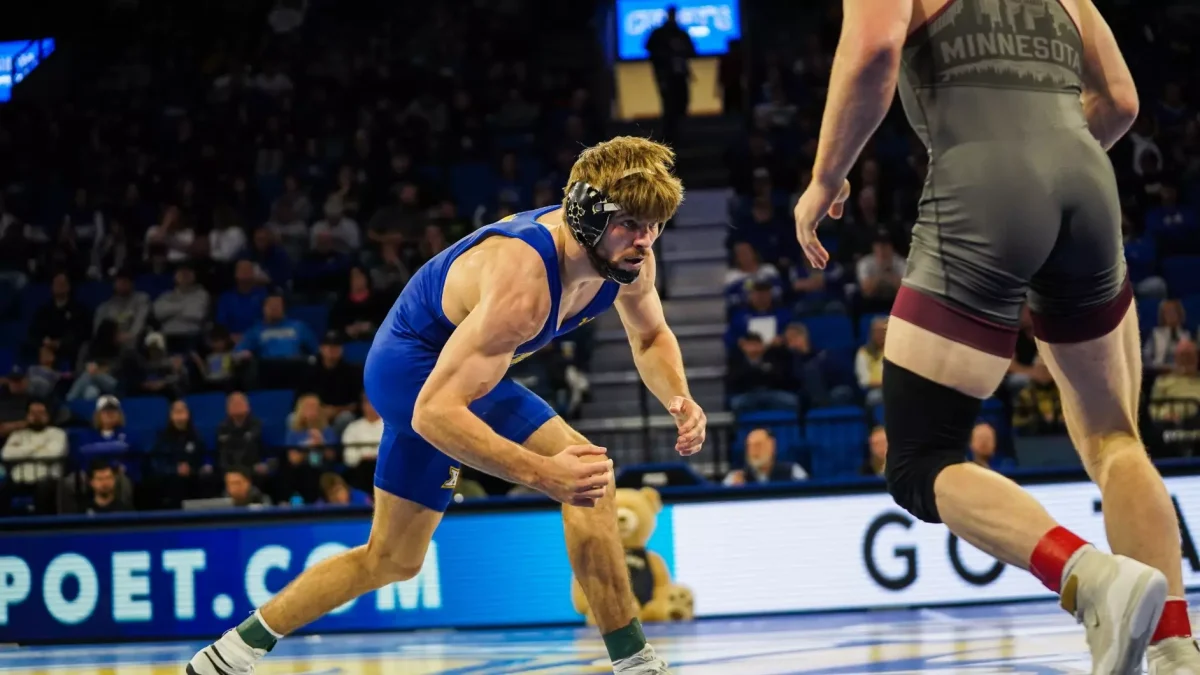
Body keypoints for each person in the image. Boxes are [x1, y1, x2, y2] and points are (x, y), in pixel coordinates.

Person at [188, 136, 704, 675]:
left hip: (454, 376)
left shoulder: (628, 257)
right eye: (632, 224)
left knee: (392, 560)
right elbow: (433, 412)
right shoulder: (522, 285)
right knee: (585, 474)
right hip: (411, 372)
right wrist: (541, 473)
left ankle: (230, 653)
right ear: (587, 215)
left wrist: (678, 396)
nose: (645, 241)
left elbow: (650, 338)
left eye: (655, 226)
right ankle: (634, 661)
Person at [792, 1, 1198, 672]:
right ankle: (1175, 648)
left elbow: (871, 55)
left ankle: (1091, 577)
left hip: (983, 183)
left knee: (922, 456)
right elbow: (1122, 102)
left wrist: (824, 179)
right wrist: (1051, 159)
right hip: (1087, 181)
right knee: (1115, 435)